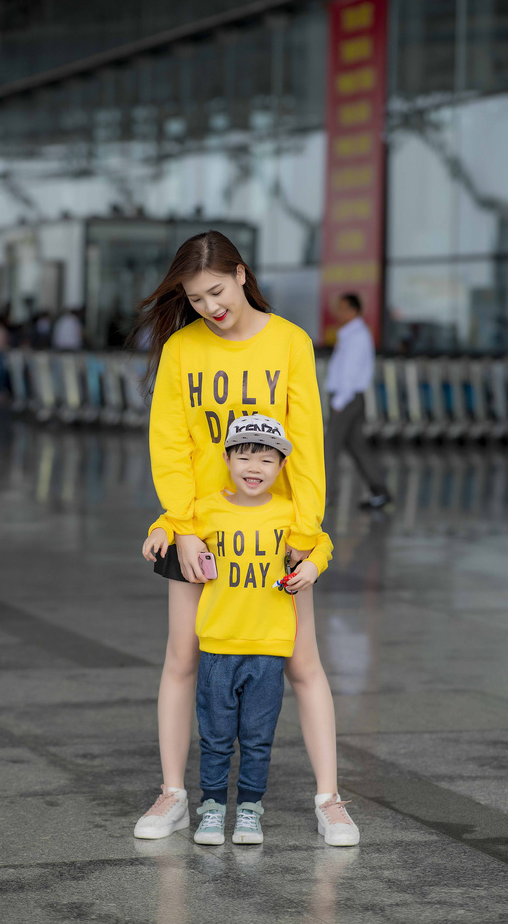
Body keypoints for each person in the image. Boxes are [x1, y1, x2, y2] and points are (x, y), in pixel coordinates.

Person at [130, 230, 356, 845]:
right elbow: (170, 444)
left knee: (302, 663)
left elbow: (306, 444)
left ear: (241, 274)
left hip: (274, 531)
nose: (210, 307)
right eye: (195, 299)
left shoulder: (289, 342)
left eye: (216, 291)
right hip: (198, 531)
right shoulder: (182, 350)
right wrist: (182, 527)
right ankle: (173, 794)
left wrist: (305, 531)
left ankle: (330, 800)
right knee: (183, 658)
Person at [143, 415, 359, 846]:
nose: (254, 467)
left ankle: (249, 812)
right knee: (216, 737)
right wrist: (158, 533)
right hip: (217, 647)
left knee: (259, 739)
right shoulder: (208, 507)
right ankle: (210, 809)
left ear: (282, 466)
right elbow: (173, 520)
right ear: (225, 460)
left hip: (269, 650)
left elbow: (322, 543)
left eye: (266, 459)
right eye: (243, 457)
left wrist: (313, 567)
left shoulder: (290, 515)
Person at [325, 293, 392, 511]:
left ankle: (324, 495)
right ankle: (380, 492)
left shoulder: (357, 336)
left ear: (353, 310)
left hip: (346, 398)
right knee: (357, 446)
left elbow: (350, 373)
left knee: (329, 447)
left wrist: (339, 402)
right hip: (349, 398)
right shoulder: (350, 334)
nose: (338, 312)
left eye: (342, 308)